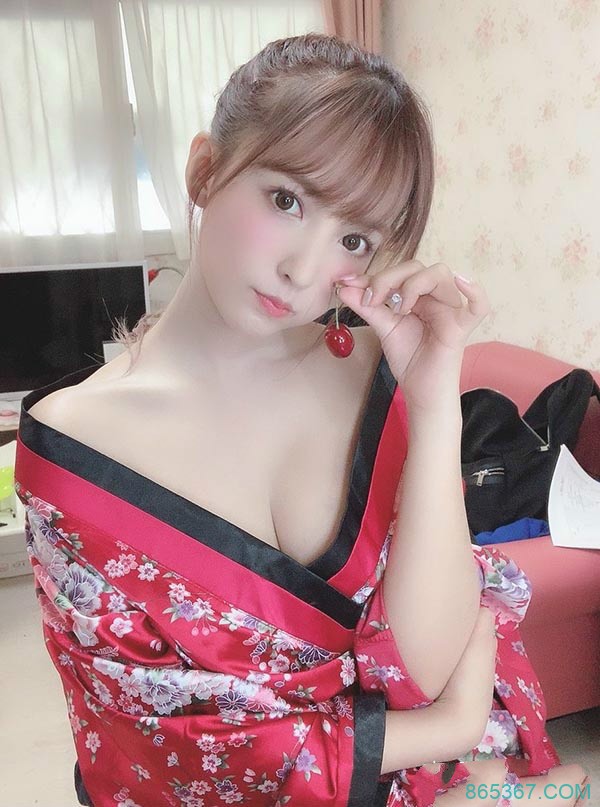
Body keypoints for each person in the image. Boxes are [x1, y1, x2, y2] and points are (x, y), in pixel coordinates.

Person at [14, 32, 588, 807]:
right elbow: (162, 745)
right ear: (205, 170)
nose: (304, 269)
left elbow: (426, 661)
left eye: (353, 239)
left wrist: (432, 404)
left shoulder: (376, 375)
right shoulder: (75, 445)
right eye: (286, 200)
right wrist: (442, 730)